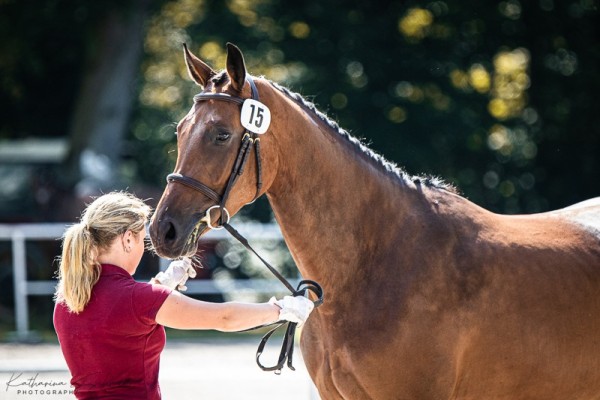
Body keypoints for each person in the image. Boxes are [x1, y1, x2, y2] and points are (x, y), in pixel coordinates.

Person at [53, 191, 314, 400]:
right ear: (127, 240)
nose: (144, 249)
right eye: (143, 240)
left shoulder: (67, 300)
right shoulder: (139, 300)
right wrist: (282, 309)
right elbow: (224, 317)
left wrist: (165, 284)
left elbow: (122, 317)